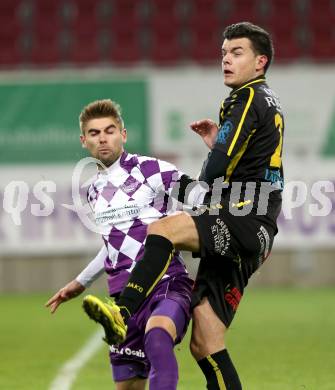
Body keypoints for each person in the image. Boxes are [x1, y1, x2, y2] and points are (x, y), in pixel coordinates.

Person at [88, 22, 285, 390]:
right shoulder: (266, 102)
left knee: (163, 229)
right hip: (255, 223)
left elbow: (217, 168)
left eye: (236, 52)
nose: (226, 59)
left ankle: (124, 311)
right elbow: (260, 166)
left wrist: (207, 180)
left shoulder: (246, 98)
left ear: (261, 62)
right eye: (224, 53)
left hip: (243, 215)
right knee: (204, 342)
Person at [45, 99, 204, 390]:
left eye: (110, 130)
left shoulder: (152, 170)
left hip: (165, 282)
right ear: (84, 141)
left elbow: (201, 197)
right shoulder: (93, 190)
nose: (103, 138)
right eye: (94, 133)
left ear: (124, 134)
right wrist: (80, 282)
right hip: (122, 301)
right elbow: (111, 243)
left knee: (158, 339)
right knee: (128, 386)